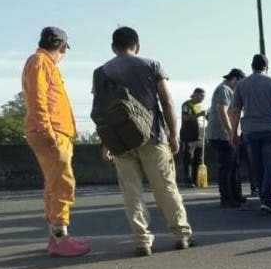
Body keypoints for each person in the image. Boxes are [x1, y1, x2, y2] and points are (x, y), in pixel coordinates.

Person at [95, 26, 194, 256]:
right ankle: (181, 235)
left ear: (113, 47)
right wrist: (173, 133)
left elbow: (101, 111)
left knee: (131, 191)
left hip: (120, 141)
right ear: (137, 46)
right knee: (165, 187)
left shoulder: (101, 72)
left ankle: (142, 241)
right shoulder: (152, 65)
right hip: (153, 135)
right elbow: (167, 101)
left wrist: (106, 143)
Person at [21, 27, 90, 257]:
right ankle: (61, 238)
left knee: (54, 185)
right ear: (62, 47)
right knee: (62, 184)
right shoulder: (40, 61)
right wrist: (48, 130)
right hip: (51, 132)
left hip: (52, 131)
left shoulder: (42, 63)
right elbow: (37, 98)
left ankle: (56, 237)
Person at [229, 54, 271, 214]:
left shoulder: (241, 85)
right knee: (270, 165)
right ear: (267, 67)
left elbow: (235, 111)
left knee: (257, 166)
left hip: (250, 131)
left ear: (252, 66)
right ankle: (267, 200)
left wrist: (234, 132)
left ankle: (263, 195)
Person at [207, 68, 247, 208]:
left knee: (234, 166)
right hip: (222, 136)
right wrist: (231, 132)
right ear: (234, 79)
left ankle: (235, 195)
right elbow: (222, 111)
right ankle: (227, 198)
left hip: (228, 135)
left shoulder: (230, 91)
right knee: (226, 167)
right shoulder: (224, 89)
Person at [179, 87, 206, 187]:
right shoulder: (186, 105)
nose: (203, 98)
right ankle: (188, 180)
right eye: (201, 96)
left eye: (204, 97)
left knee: (198, 160)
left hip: (200, 136)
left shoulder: (199, 106)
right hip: (189, 136)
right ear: (195, 94)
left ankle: (196, 180)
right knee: (188, 159)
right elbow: (185, 117)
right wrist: (199, 114)